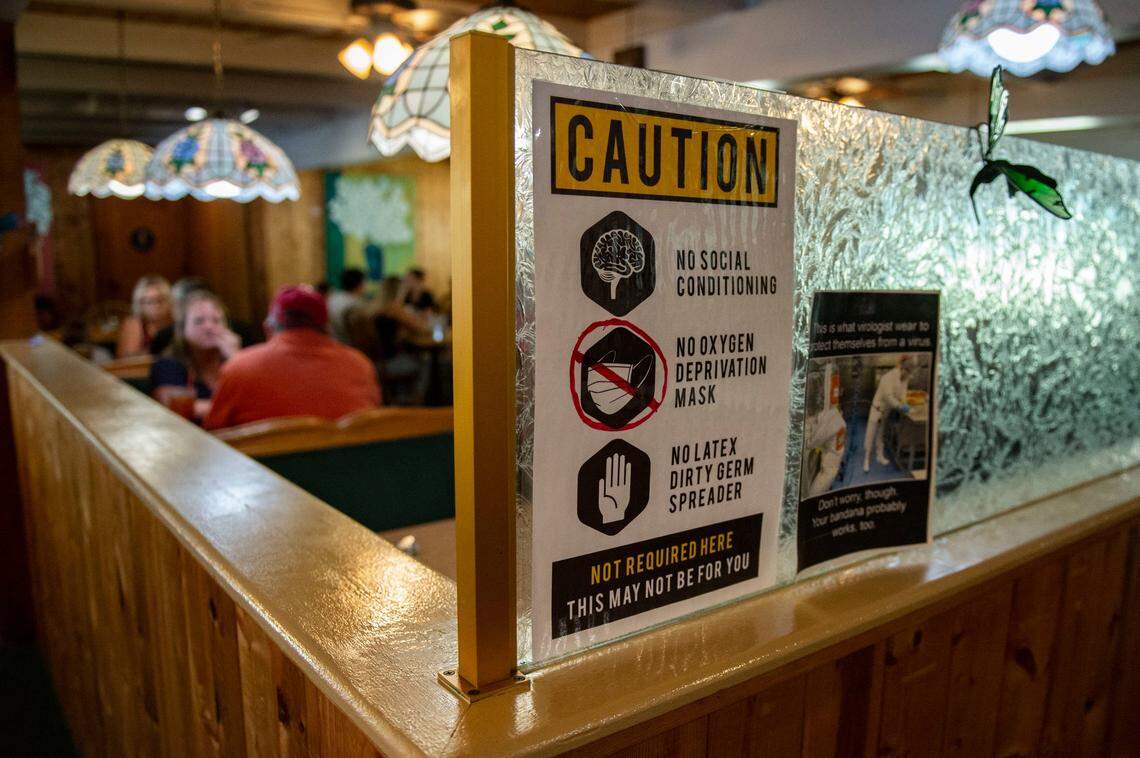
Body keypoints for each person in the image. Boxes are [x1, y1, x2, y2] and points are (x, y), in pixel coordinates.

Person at [204, 285, 380, 430]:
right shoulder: (360, 364)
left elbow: (215, 431)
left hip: (265, 471)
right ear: (326, 327)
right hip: (348, 469)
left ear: (269, 327)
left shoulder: (239, 367)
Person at [149, 290, 241, 422]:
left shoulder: (235, 358)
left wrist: (237, 359)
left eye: (216, 321)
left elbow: (256, 398)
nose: (209, 327)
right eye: (199, 321)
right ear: (182, 329)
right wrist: (233, 409)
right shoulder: (167, 364)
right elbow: (178, 407)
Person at [863, 355, 913, 472]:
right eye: (907, 372)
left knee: (881, 434)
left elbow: (903, 395)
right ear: (902, 368)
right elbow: (889, 397)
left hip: (886, 411)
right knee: (871, 434)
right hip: (877, 409)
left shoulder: (905, 378)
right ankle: (866, 460)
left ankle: (880, 456)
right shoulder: (888, 377)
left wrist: (905, 403)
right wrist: (901, 407)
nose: (908, 376)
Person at [117, 275, 174, 357]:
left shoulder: (175, 322)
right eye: (149, 302)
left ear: (169, 301)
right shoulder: (134, 324)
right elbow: (126, 360)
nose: (155, 306)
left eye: (159, 300)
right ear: (139, 304)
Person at [326, 268, 366, 344]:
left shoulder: (332, 298)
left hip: (333, 343)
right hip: (349, 346)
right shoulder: (357, 304)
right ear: (359, 284)